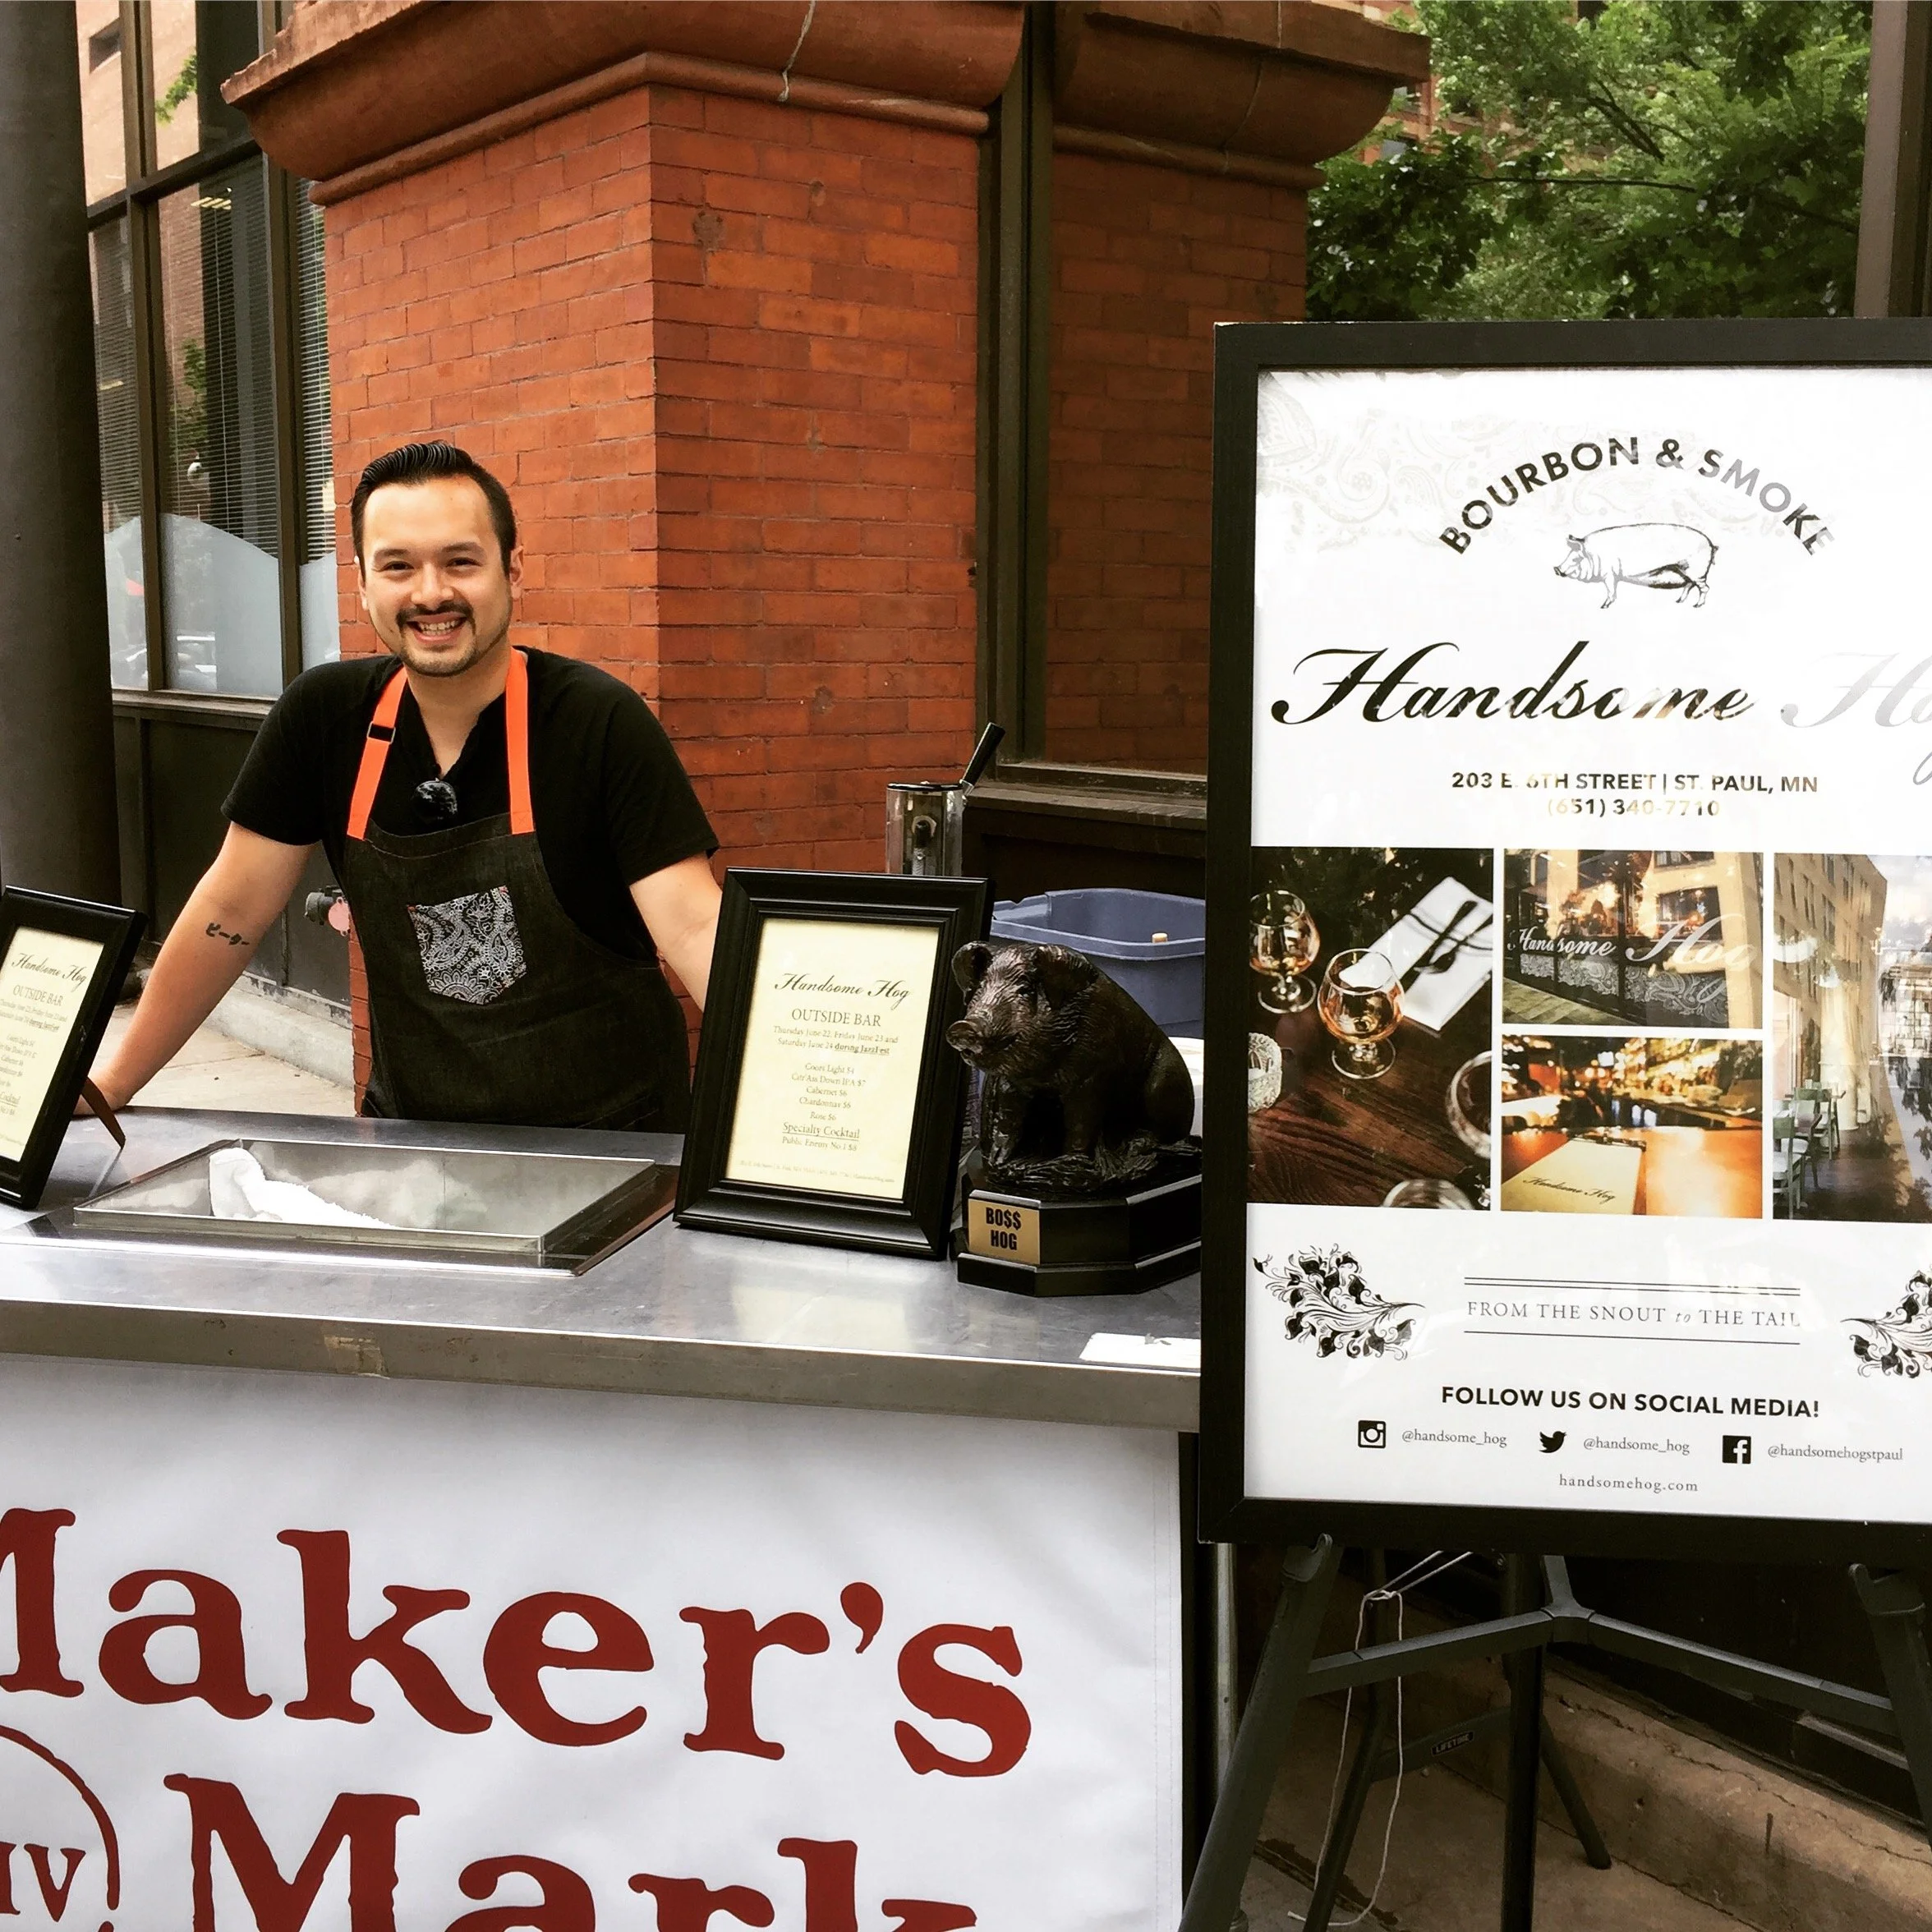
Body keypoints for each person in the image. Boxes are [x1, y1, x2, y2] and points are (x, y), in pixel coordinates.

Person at [92, 441, 720, 1131]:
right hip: (414, 1145)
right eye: (398, 566)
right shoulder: (324, 718)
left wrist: (815, 1124)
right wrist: (110, 1084)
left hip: (616, 1146)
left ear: (512, 569)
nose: (430, 594)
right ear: (362, 581)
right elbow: (232, 910)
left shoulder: (596, 721)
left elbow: (695, 927)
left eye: (460, 561)